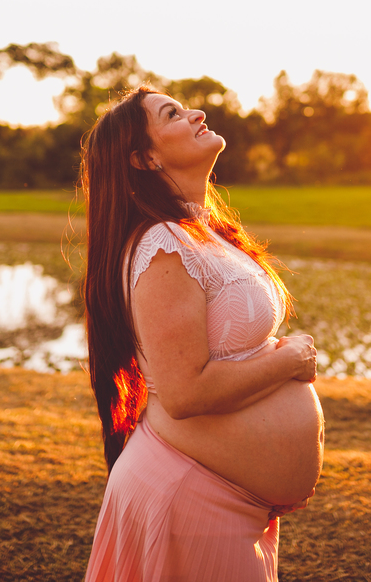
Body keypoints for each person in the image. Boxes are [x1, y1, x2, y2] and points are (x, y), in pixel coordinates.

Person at [81, 86, 324, 581]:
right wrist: (290, 361)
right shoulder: (162, 244)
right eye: (172, 113)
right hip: (191, 497)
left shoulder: (200, 230)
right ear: (145, 156)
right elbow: (186, 391)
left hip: (221, 503)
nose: (197, 113)